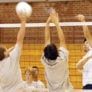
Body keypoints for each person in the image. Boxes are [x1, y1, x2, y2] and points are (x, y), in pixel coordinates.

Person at [41, 12, 73, 92]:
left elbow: (47, 39)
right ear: (57, 52)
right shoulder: (62, 58)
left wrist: (47, 22)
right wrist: (56, 23)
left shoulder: (44, 60)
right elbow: (62, 40)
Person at [76, 14, 92, 89]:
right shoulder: (85, 57)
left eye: (87, 43)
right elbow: (78, 67)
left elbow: (87, 35)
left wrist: (83, 21)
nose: (85, 45)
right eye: (84, 43)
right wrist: (88, 58)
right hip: (86, 85)